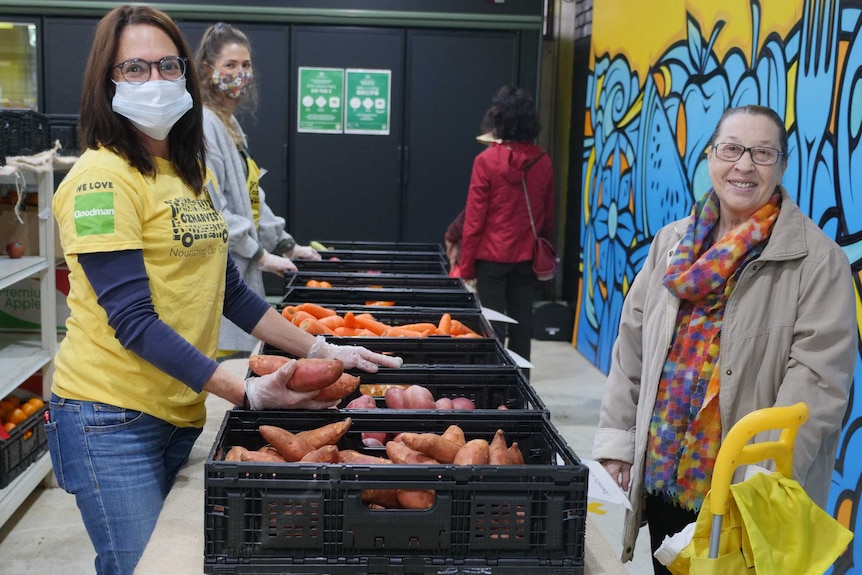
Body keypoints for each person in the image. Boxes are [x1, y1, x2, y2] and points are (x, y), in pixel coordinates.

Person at [47, 7, 401, 575]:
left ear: (187, 74)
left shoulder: (191, 173)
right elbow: (133, 320)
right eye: (133, 69)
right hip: (107, 416)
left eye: (167, 65)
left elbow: (229, 291)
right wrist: (247, 395)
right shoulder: (99, 180)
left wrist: (320, 350)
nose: (156, 81)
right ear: (105, 81)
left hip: (175, 409)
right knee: (143, 565)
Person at [590, 104, 856, 573]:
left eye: (762, 153)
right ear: (711, 156)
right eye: (731, 149)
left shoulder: (816, 261)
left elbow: (818, 380)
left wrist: (757, 483)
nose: (744, 165)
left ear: (782, 165)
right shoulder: (672, 244)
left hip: (741, 490)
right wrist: (618, 442)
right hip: (662, 475)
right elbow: (633, 347)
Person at [193, 22, 320, 358]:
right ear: (207, 70)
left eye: (245, 65)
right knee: (222, 369)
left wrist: (285, 244)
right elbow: (212, 207)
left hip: (239, 275)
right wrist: (259, 254)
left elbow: (250, 195)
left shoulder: (229, 124)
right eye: (230, 65)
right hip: (221, 274)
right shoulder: (204, 125)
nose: (240, 73)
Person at [457, 84, 554, 361]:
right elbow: (546, 215)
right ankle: (522, 393)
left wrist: (466, 265)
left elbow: (475, 218)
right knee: (523, 327)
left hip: (491, 260)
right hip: (527, 258)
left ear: (499, 119)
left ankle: (497, 391)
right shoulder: (543, 162)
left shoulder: (486, 161)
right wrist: (541, 250)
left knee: (492, 327)